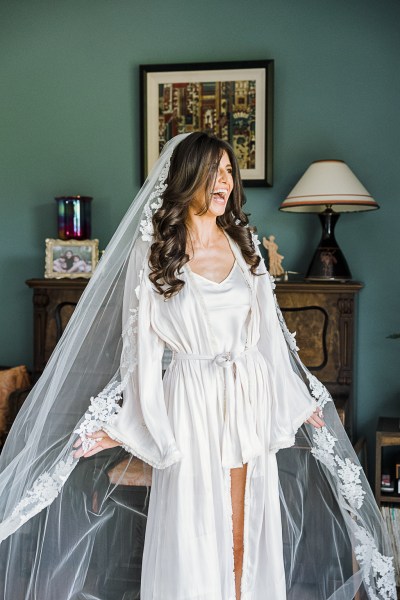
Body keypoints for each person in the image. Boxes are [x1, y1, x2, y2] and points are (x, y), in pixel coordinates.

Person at [0, 133, 395, 600]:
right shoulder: (154, 254)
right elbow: (141, 354)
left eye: (230, 171)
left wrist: (295, 398)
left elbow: (269, 335)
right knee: (198, 534)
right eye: (214, 171)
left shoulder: (246, 245)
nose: (225, 181)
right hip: (190, 404)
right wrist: (123, 427)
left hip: (248, 397)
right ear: (187, 178)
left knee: (246, 527)